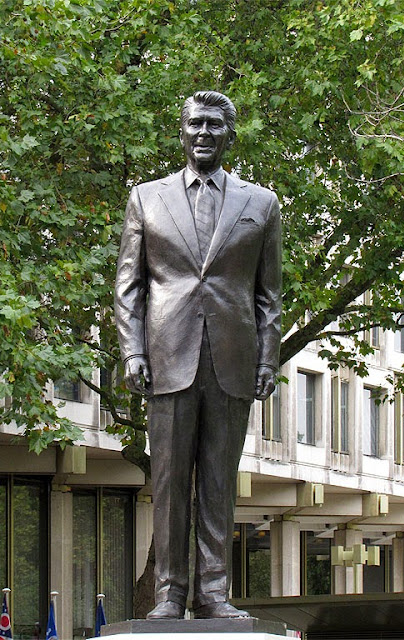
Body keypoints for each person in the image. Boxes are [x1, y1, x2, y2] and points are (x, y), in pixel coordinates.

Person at [115, 91, 281, 619]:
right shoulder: (146, 198)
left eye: (214, 125)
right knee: (167, 482)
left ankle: (214, 592)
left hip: (232, 360)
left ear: (230, 135)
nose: (204, 133)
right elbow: (129, 286)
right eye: (195, 125)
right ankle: (169, 593)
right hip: (166, 356)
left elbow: (268, 295)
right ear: (181, 133)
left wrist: (267, 360)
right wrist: (132, 351)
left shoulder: (261, 203)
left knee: (218, 481)